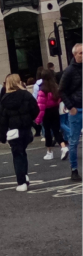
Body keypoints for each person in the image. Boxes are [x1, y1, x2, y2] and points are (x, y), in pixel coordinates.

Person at [0, 73, 40, 192]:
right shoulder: (26, 95)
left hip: (13, 130)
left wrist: (2, 135)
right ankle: (24, 175)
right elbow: (36, 109)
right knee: (22, 152)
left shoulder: (4, 99)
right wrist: (29, 119)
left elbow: (3, 120)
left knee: (17, 155)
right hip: (25, 128)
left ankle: (21, 181)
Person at [59, 43, 83, 183]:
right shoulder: (69, 71)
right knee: (73, 141)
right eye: (81, 53)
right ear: (74, 55)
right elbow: (61, 90)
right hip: (76, 110)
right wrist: (70, 106)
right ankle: (74, 170)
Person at [38, 73, 62, 159]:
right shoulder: (55, 87)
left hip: (47, 112)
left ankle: (49, 152)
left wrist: (38, 119)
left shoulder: (43, 89)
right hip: (55, 110)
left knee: (47, 132)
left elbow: (41, 106)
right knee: (56, 130)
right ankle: (63, 146)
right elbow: (59, 98)